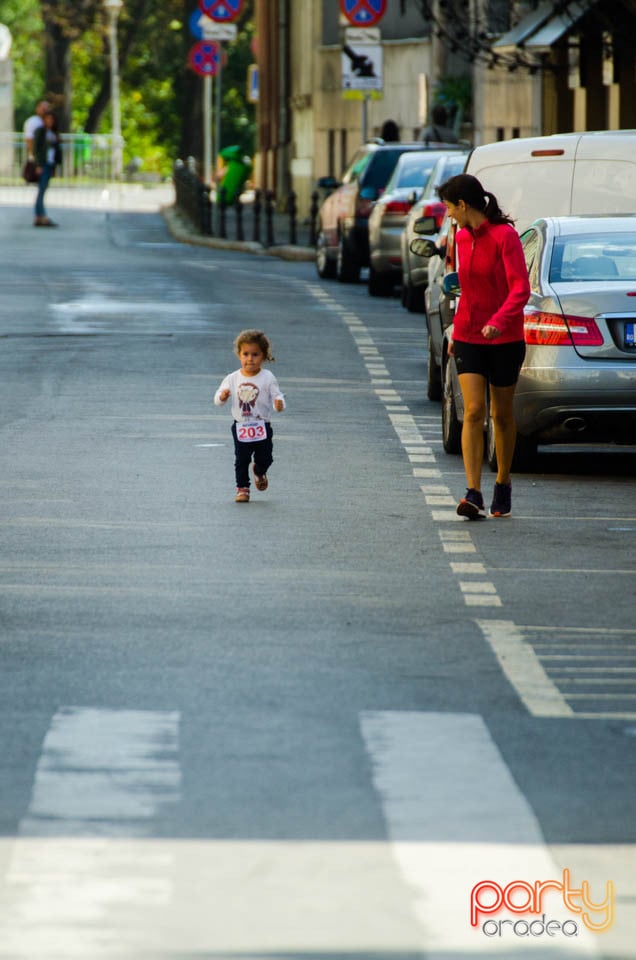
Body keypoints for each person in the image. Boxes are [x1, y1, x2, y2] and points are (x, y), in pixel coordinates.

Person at [437, 173, 530, 519]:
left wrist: (499, 321)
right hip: (468, 337)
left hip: (504, 338)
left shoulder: (505, 237)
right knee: (474, 411)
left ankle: (502, 484)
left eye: (449, 207)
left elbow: (520, 289)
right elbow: (466, 291)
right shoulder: (461, 239)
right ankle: (473, 492)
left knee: (501, 415)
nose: (448, 215)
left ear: (463, 205)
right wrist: (457, 332)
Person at [214, 329, 285, 503]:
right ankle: (242, 488)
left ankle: (259, 471)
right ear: (239, 355)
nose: (250, 359)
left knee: (266, 457)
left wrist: (279, 403)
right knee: (241, 459)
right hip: (241, 426)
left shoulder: (267, 377)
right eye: (245, 354)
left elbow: (277, 395)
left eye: (255, 354)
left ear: (264, 356)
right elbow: (218, 398)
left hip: (262, 426)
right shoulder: (232, 378)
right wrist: (222, 397)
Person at [33, 109, 61, 227]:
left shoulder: (54, 133)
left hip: (50, 164)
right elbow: (36, 149)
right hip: (43, 164)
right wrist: (38, 164)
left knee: (43, 190)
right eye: (47, 119)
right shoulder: (41, 131)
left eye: (51, 119)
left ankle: (40, 216)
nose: (49, 121)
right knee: (41, 190)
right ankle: (41, 216)